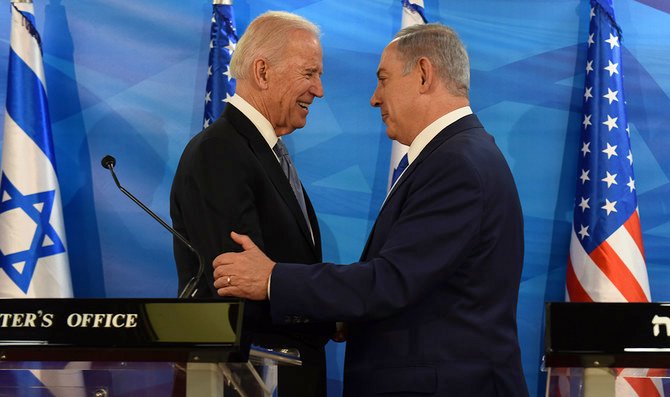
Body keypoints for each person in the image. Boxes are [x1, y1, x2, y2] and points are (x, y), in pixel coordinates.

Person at [212, 23, 529, 397]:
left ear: (424, 74)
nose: (374, 98)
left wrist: (271, 279)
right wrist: (345, 311)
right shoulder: (456, 156)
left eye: (383, 79)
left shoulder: (457, 164)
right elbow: (418, 278)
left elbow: (392, 280)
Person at [170, 11, 331, 397]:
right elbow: (238, 288)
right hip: (247, 381)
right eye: (309, 73)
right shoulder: (220, 153)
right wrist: (329, 310)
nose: (319, 89)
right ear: (262, 72)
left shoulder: (262, 151)